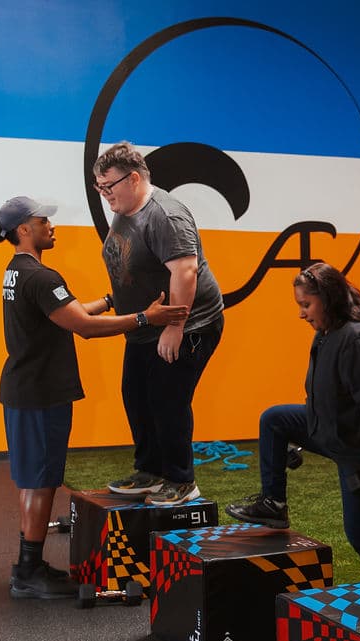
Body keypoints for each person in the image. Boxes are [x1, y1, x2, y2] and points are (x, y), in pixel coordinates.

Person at [0, 196, 189, 599]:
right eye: (43, 221)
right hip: (41, 394)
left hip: (25, 390)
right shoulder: (42, 277)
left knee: (33, 482)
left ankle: (28, 565)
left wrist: (114, 301)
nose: (51, 227)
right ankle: (28, 574)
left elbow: (70, 311)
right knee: (42, 484)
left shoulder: (17, 272)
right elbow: (84, 326)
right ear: (24, 230)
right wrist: (146, 318)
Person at [225, 263, 360, 579]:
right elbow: (326, 394)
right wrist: (299, 439)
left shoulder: (358, 340)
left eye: (306, 305)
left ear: (328, 299)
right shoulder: (326, 333)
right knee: (274, 420)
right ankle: (274, 504)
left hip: (358, 450)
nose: (301, 314)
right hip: (330, 430)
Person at [93, 141, 225, 507]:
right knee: (135, 395)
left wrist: (176, 326)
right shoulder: (126, 207)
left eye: (109, 186)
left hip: (190, 323)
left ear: (134, 179)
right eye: (99, 188)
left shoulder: (165, 215)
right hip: (146, 324)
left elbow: (185, 271)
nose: (105, 194)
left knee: (168, 398)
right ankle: (150, 471)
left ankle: (182, 481)